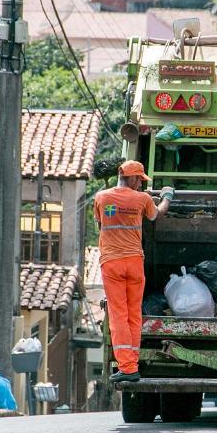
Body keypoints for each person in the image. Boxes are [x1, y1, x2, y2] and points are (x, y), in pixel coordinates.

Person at [94, 160, 174, 383]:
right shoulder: (143, 199)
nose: (140, 183)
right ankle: (132, 362)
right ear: (127, 176)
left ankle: (128, 367)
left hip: (112, 263)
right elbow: (157, 215)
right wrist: (168, 196)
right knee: (133, 315)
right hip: (134, 263)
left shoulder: (101, 197)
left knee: (119, 315)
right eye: (138, 178)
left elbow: (100, 225)